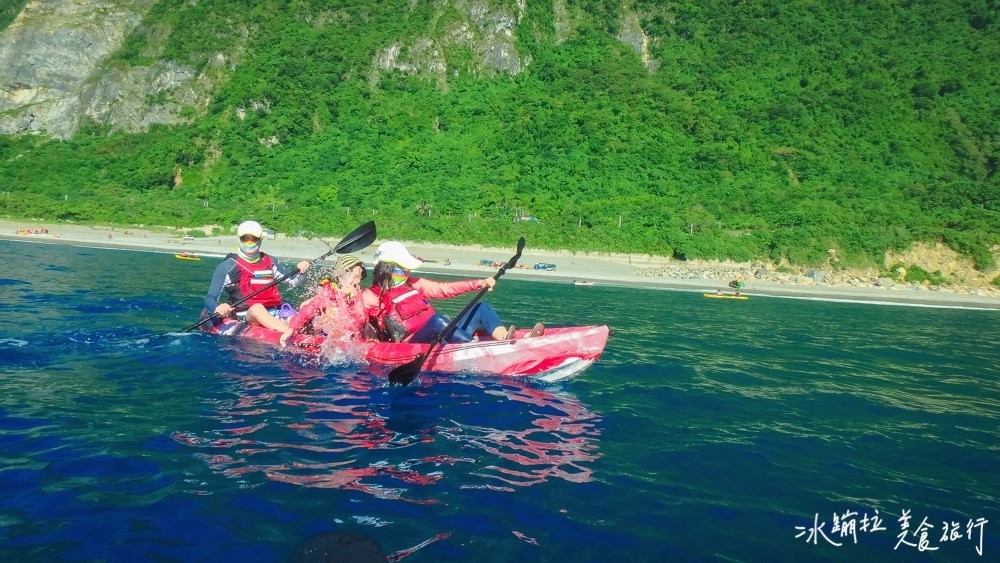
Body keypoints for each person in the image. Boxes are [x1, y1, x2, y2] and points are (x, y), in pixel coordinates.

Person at [360, 241, 543, 343]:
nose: (406, 273)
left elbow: (445, 289)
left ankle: (504, 339)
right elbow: (355, 321)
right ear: (385, 269)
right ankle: (475, 348)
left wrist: (479, 283)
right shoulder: (370, 297)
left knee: (482, 307)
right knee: (438, 321)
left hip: (441, 335)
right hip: (413, 343)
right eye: (401, 269)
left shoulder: (414, 284)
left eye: (407, 269)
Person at [202, 220, 310, 343]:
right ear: (240, 239)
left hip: (275, 312)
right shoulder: (227, 266)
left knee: (304, 308)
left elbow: (294, 281)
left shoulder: (271, 261)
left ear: (260, 239)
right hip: (247, 315)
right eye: (245, 238)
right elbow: (210, 298)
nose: (249, 242)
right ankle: (288, 332)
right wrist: (217, 308)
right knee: (257, 308)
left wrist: (302, 271)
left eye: (253, 238)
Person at [281, 254, 367, 346]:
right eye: (355, 277)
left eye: (359, 278)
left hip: (343, 335)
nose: (357, 282)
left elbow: (360, 319)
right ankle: (288, 321)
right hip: (323, 333)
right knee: (324, 310)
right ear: (341, 275)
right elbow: (308, 310)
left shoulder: (356, 295)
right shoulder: (328, 292)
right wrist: (291, 329)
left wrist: (355, 298)